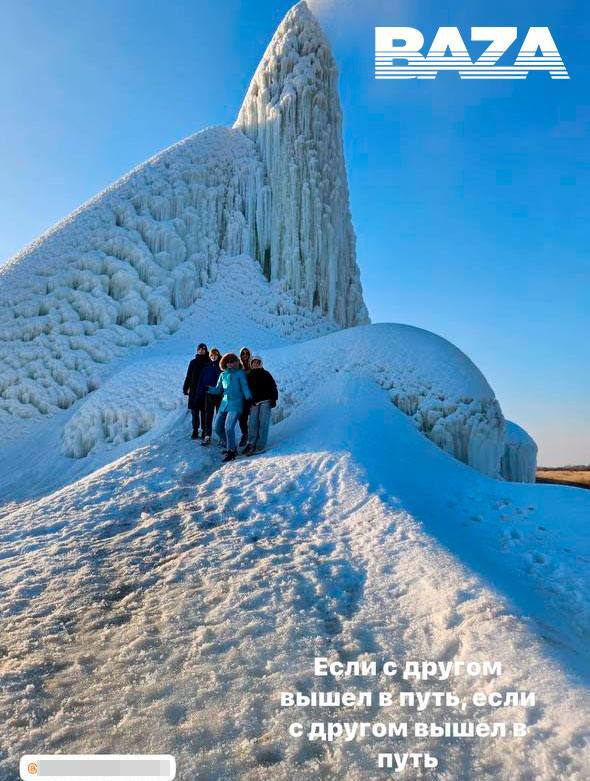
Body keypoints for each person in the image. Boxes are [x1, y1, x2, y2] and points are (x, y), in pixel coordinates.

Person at [208, 353, 252, 462]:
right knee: (217, 428)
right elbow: (218, 389)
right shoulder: (223, 375)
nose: (230, 364)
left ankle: (231, 451)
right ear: (224, 363)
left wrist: (249, 398)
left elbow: (245, 387)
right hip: (224, 403)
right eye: (228, 362)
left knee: (228, 427)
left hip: (236, 403)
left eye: (233, 361)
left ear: (237, 362)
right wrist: (208, 389)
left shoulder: (240, 373)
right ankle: (230, 445)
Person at [243, 356, 278, 455]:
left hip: (266, 401)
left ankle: (260, 446)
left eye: (257, 362)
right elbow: (247, 390)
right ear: (251, 364)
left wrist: (274, 399)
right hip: (254, 402)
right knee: (252, 423)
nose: (255, 364)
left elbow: (273, 386)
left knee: (263, 423)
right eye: (254, 362)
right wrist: (248, 401)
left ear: (261, 363)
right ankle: (251, 443)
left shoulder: (266, 374)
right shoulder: (249, 375)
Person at [182, 343, 209, 439]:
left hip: (205, 391)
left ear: (206, 350)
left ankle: (204, 430)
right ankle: (195, 430)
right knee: (195, 412)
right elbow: (189, 376)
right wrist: (185, 387)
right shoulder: (193, 362)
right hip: (194, 390)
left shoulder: (208, 362)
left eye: (203, 349)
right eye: (199, 349)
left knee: (204, 412)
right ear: (197, 350)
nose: (201, 351)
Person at [196, 347, 222, 445]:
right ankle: (207, 436)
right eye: (211, 355)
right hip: (209, 395)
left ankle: (221, 436)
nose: (213, 357)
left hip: (219, 394)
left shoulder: (221, 366)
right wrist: (199, 393)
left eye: (215, 355)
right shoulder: (206, 367)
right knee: (208, 416)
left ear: (218, 355)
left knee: (220, 416)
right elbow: (201, 381)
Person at [238, 346, 252, 448]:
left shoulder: (254, 364)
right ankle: (245, 434)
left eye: (247, 353)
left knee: (252, 417)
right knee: (242, 417)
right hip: (240, 396)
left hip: (252, 395)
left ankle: (252, 437)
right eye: (243, 353)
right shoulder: (238, 367)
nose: (245, 355)